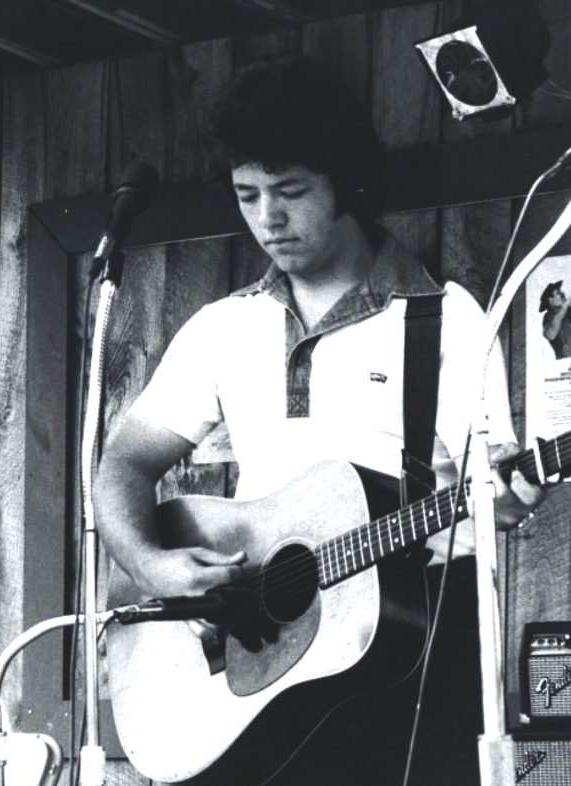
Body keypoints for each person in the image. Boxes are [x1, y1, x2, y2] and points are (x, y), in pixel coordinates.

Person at [95, 57, 547, 785]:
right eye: (247, 195)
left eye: (291, 192)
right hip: (262, 655)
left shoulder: (448, 323)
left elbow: (491, 493)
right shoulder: (224, 328)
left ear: (349, 185)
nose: (268, 219)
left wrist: (505, 497)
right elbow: (122, 465)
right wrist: (153, 566)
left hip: (409, 659)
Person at [541, 280, 571, 359]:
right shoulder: (549, 317)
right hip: (567, 364)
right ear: (550, 300)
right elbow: (550, 334)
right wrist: (565, 306)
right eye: (558, 293)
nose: (562, 294)